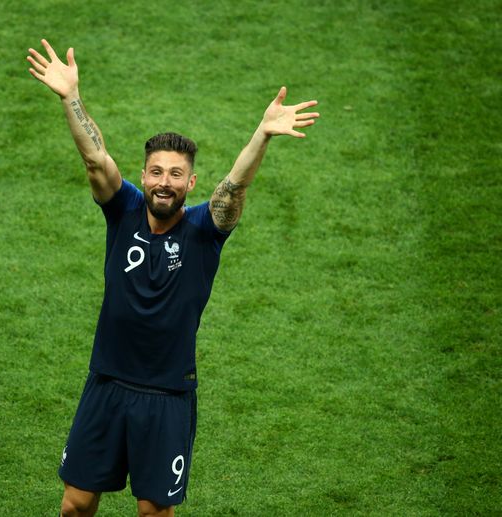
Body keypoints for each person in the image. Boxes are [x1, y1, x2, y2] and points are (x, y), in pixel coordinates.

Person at [27, 39, 319, 517]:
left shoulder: (205, 230)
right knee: (75, 506)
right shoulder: (122, 212)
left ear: (191, 184)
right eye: (157, 172)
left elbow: (236, 185)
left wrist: (262, 135)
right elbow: (96, 160)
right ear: (143, 176)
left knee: (153, 513)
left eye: (176, 174)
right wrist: (70, 98)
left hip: (167, 395)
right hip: (107, 383)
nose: (165, 181)